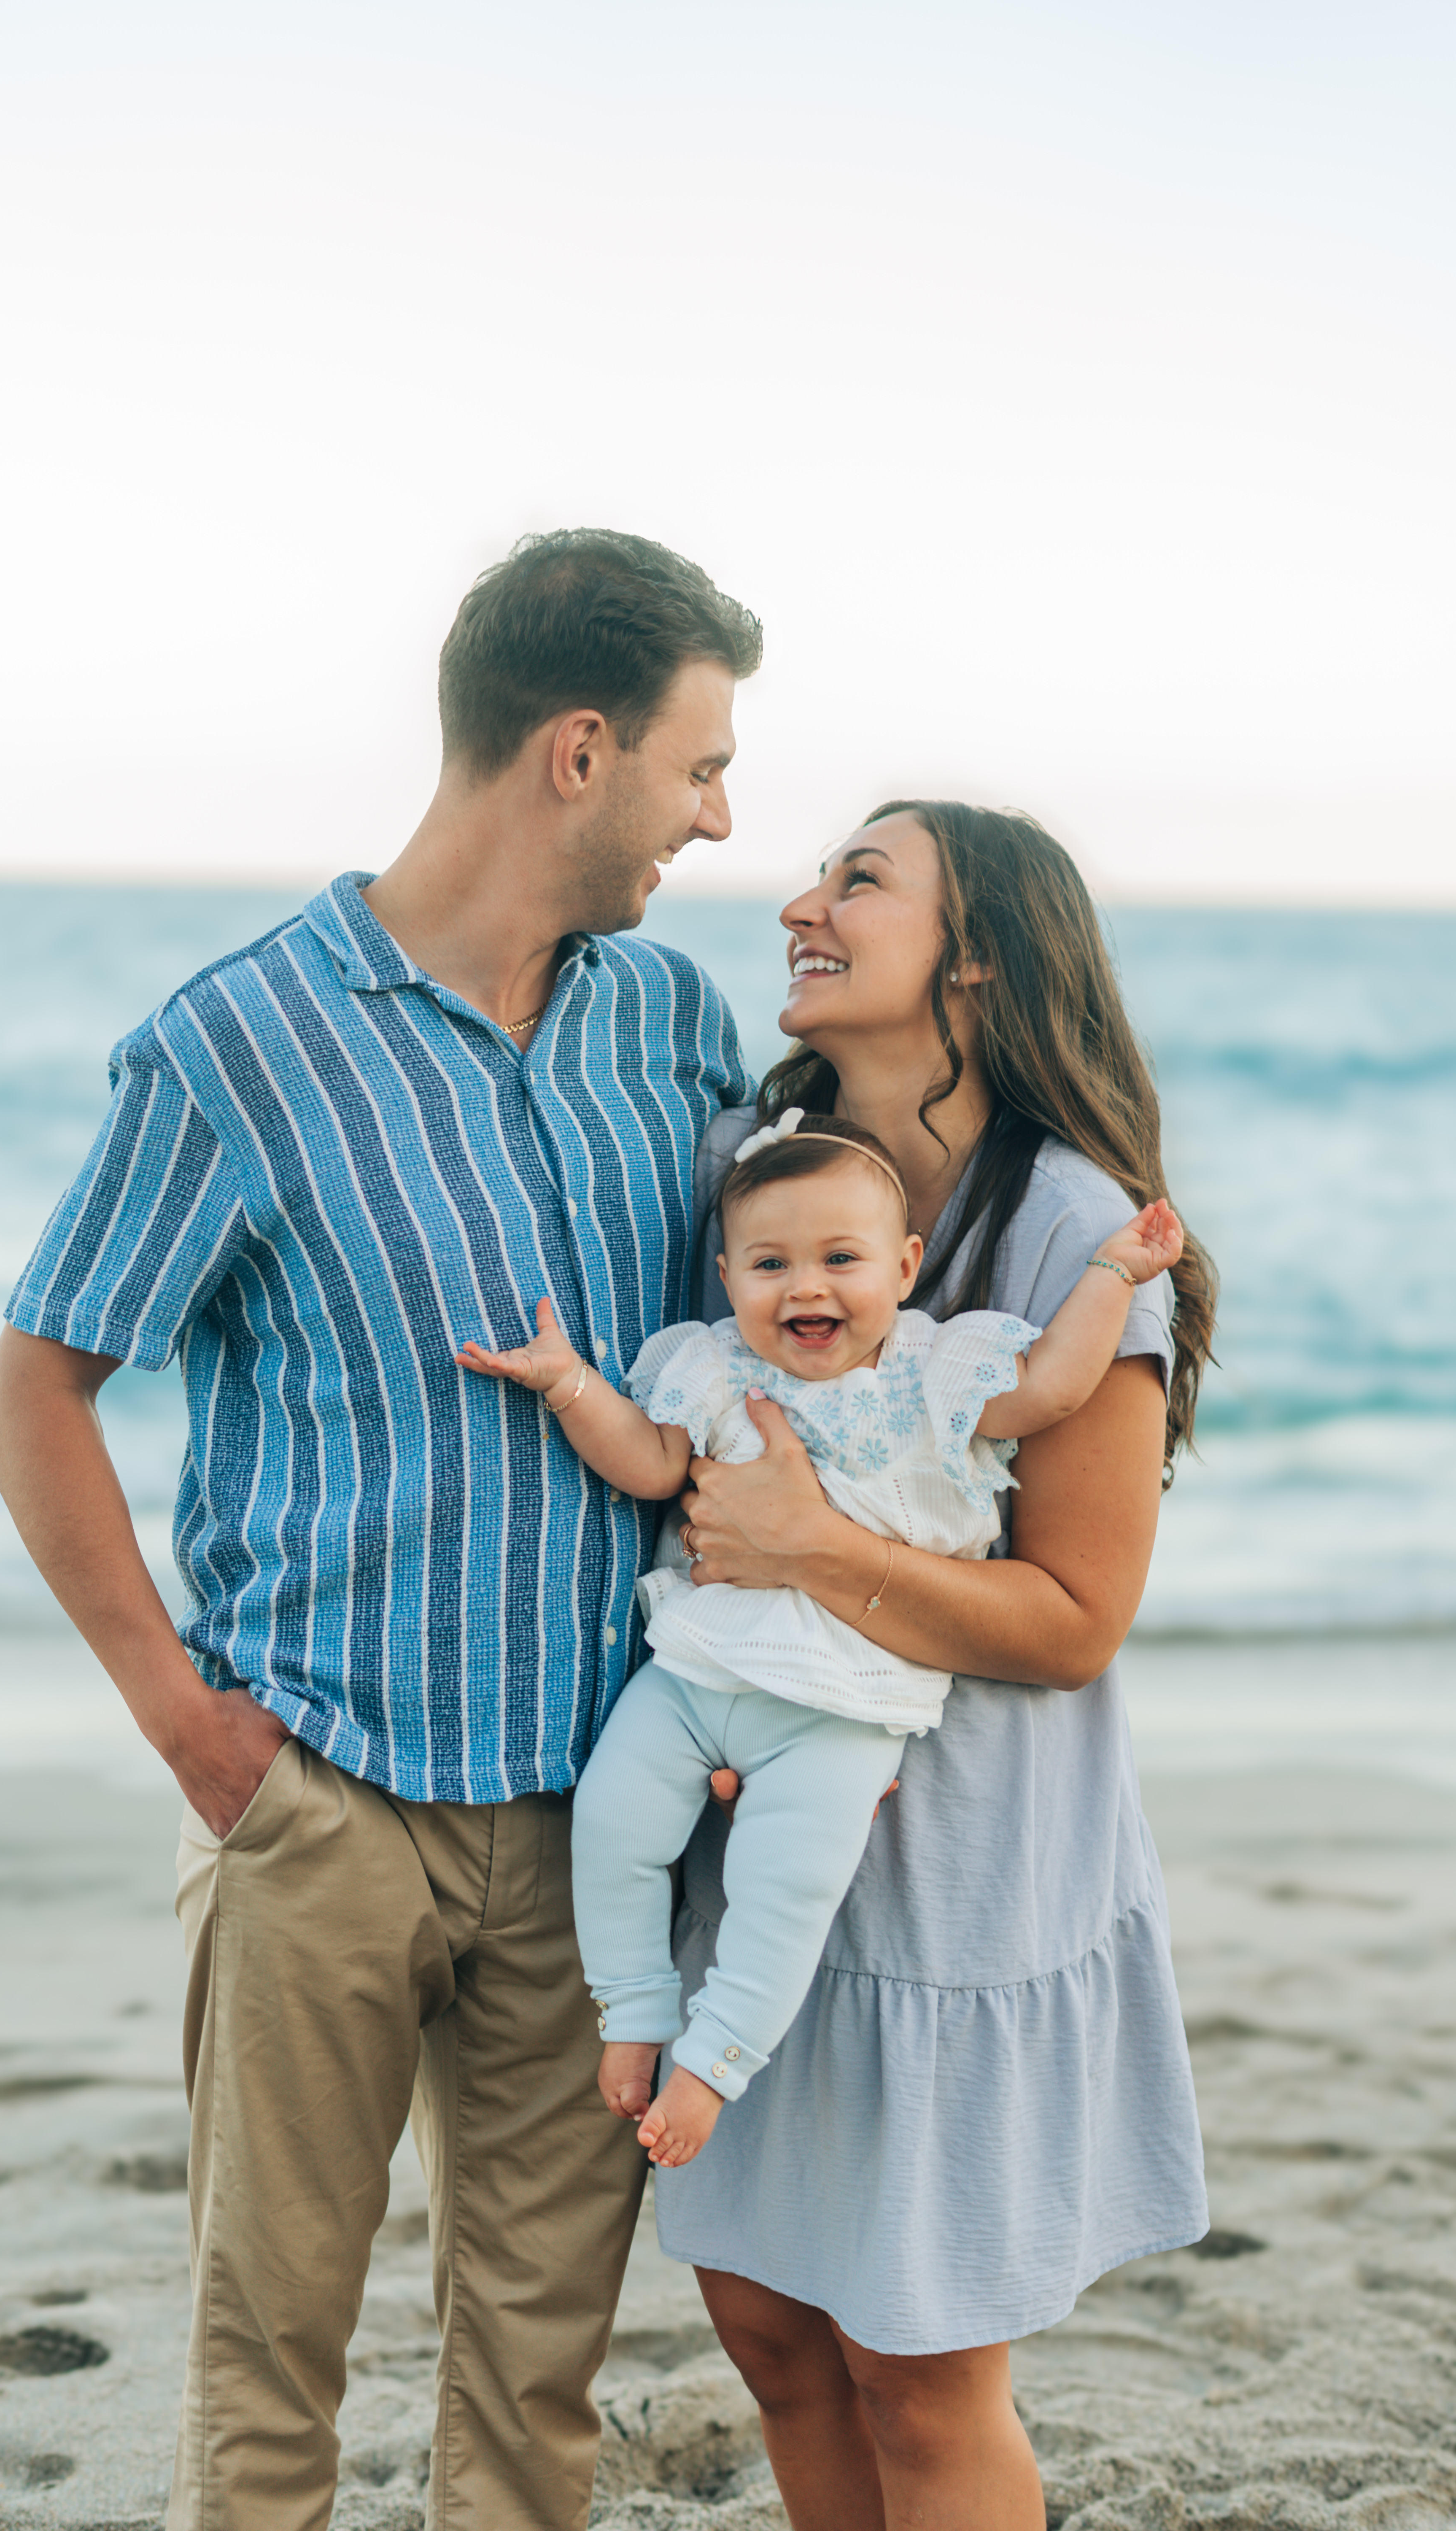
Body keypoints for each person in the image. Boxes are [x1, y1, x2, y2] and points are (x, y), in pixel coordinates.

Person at [0, 529, 763, 2531]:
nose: (718, 811)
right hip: (318, 1796)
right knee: (268, 2376)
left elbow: (765, 1334)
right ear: (574, 752)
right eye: (696, 762)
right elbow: (39, 1382)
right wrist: (185, 1721)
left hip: (599, 1820)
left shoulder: (668, 1024)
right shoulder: (238, 1043)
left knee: (536, 2386)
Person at [658, 802, 1218, 2531]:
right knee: (766, 2332)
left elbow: (1071, 1623)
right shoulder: (761, 1169)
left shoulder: (1069, 1224)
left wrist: (809, 1547)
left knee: (914, 2368)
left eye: (858, 882)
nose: (800, 904)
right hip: (757, 1848)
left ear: (973, 952)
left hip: (960, 1871)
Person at [459, 1106, 1184, 2171]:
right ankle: (632, 2007)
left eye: (839, 1260)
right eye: (768, 1264)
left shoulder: (937, 1376)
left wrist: (1113, 1275)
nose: (804, 1287)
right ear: (728, 1275)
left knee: (785, 1888)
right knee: (612, 1823)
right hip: (700, 1667)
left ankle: (714, 2064)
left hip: (844, 1704)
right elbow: (651, 1464)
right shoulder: (713, 1370)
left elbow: (1051, 1389)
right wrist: (571, 1386)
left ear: (903, 1267)